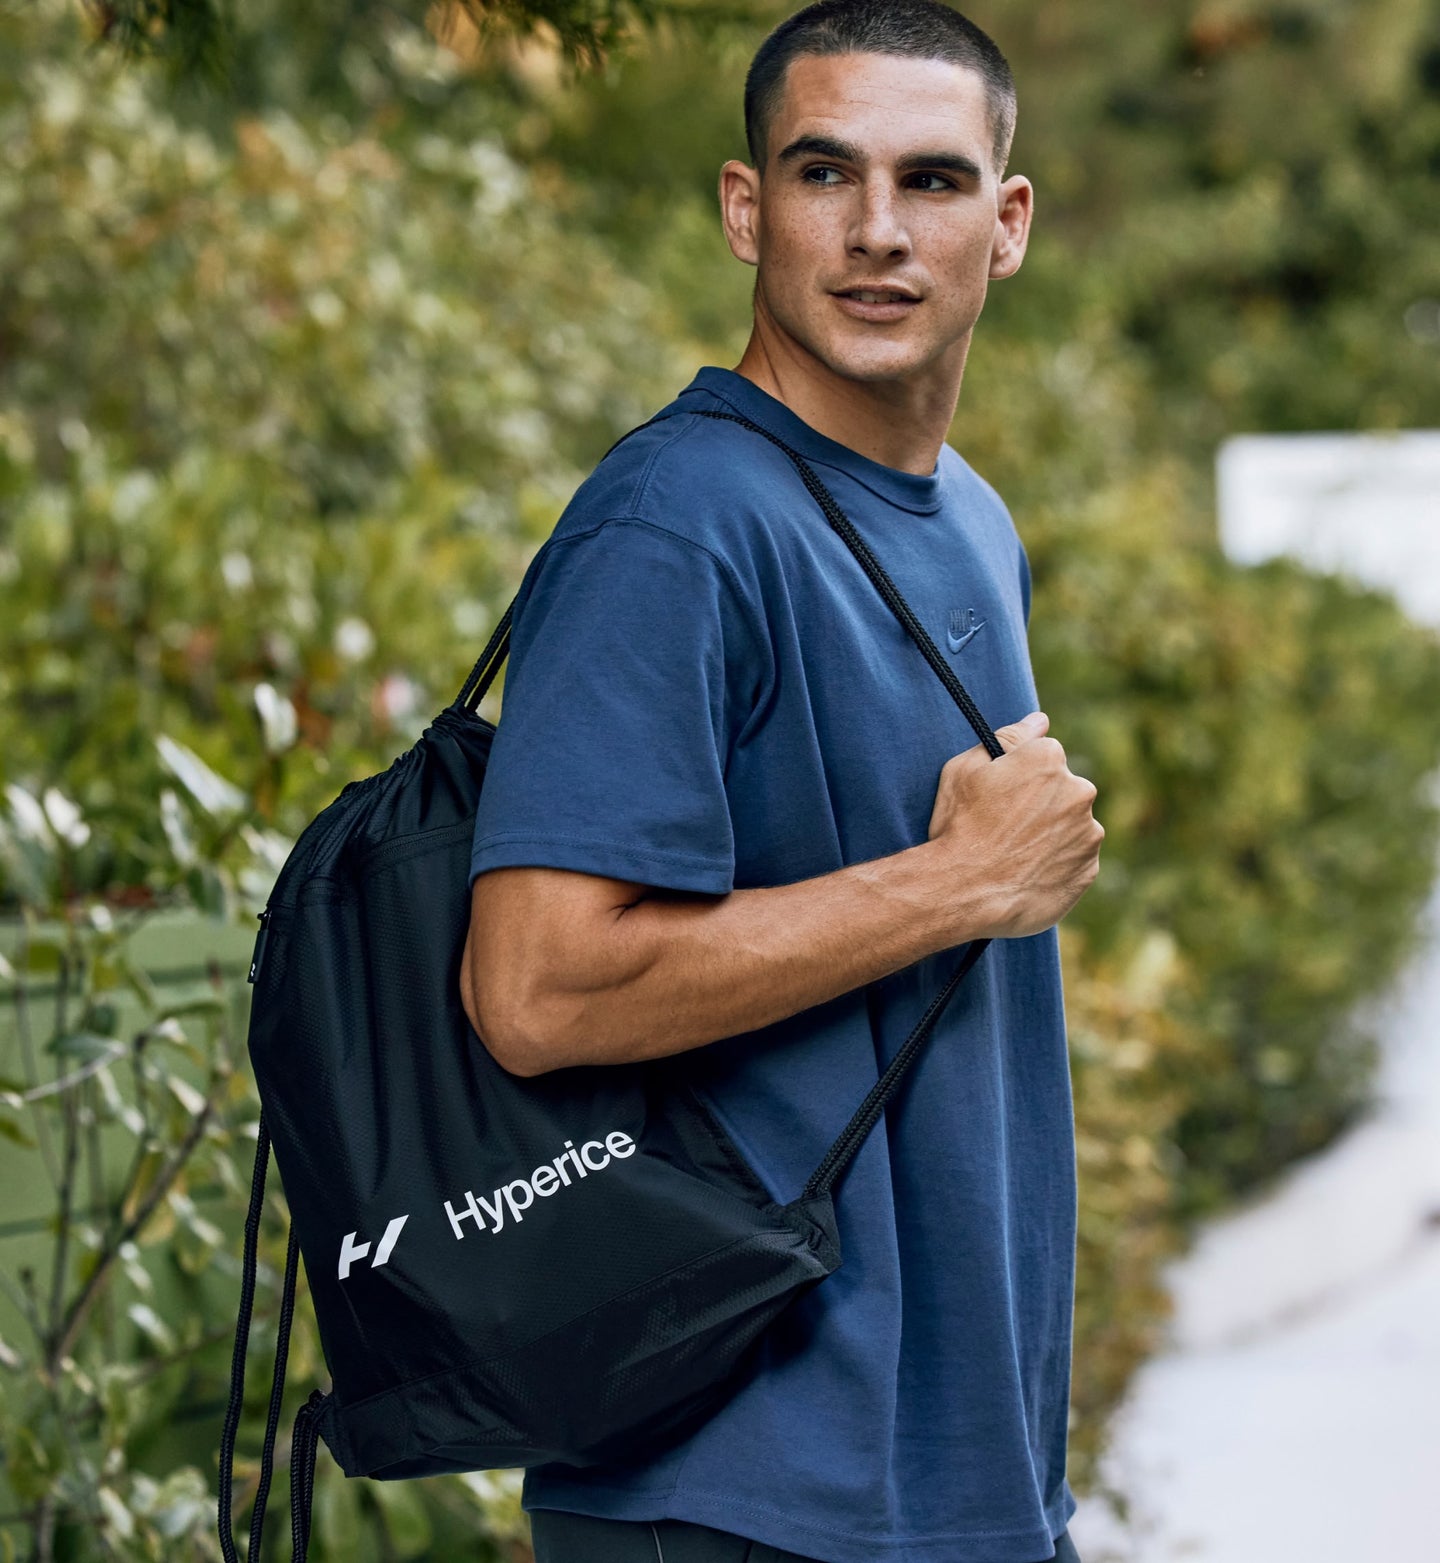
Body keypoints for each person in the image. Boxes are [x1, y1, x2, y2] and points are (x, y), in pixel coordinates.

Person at [459, 1, 1104, 1558]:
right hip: (737, 1486)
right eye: (826, 175)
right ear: (748, 210)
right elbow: (536, 990)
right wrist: (955, 885)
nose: (879, 231)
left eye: (932, 180)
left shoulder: (970, 518)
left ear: (1008, 223)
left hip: (965, 1474)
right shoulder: (676, 525)